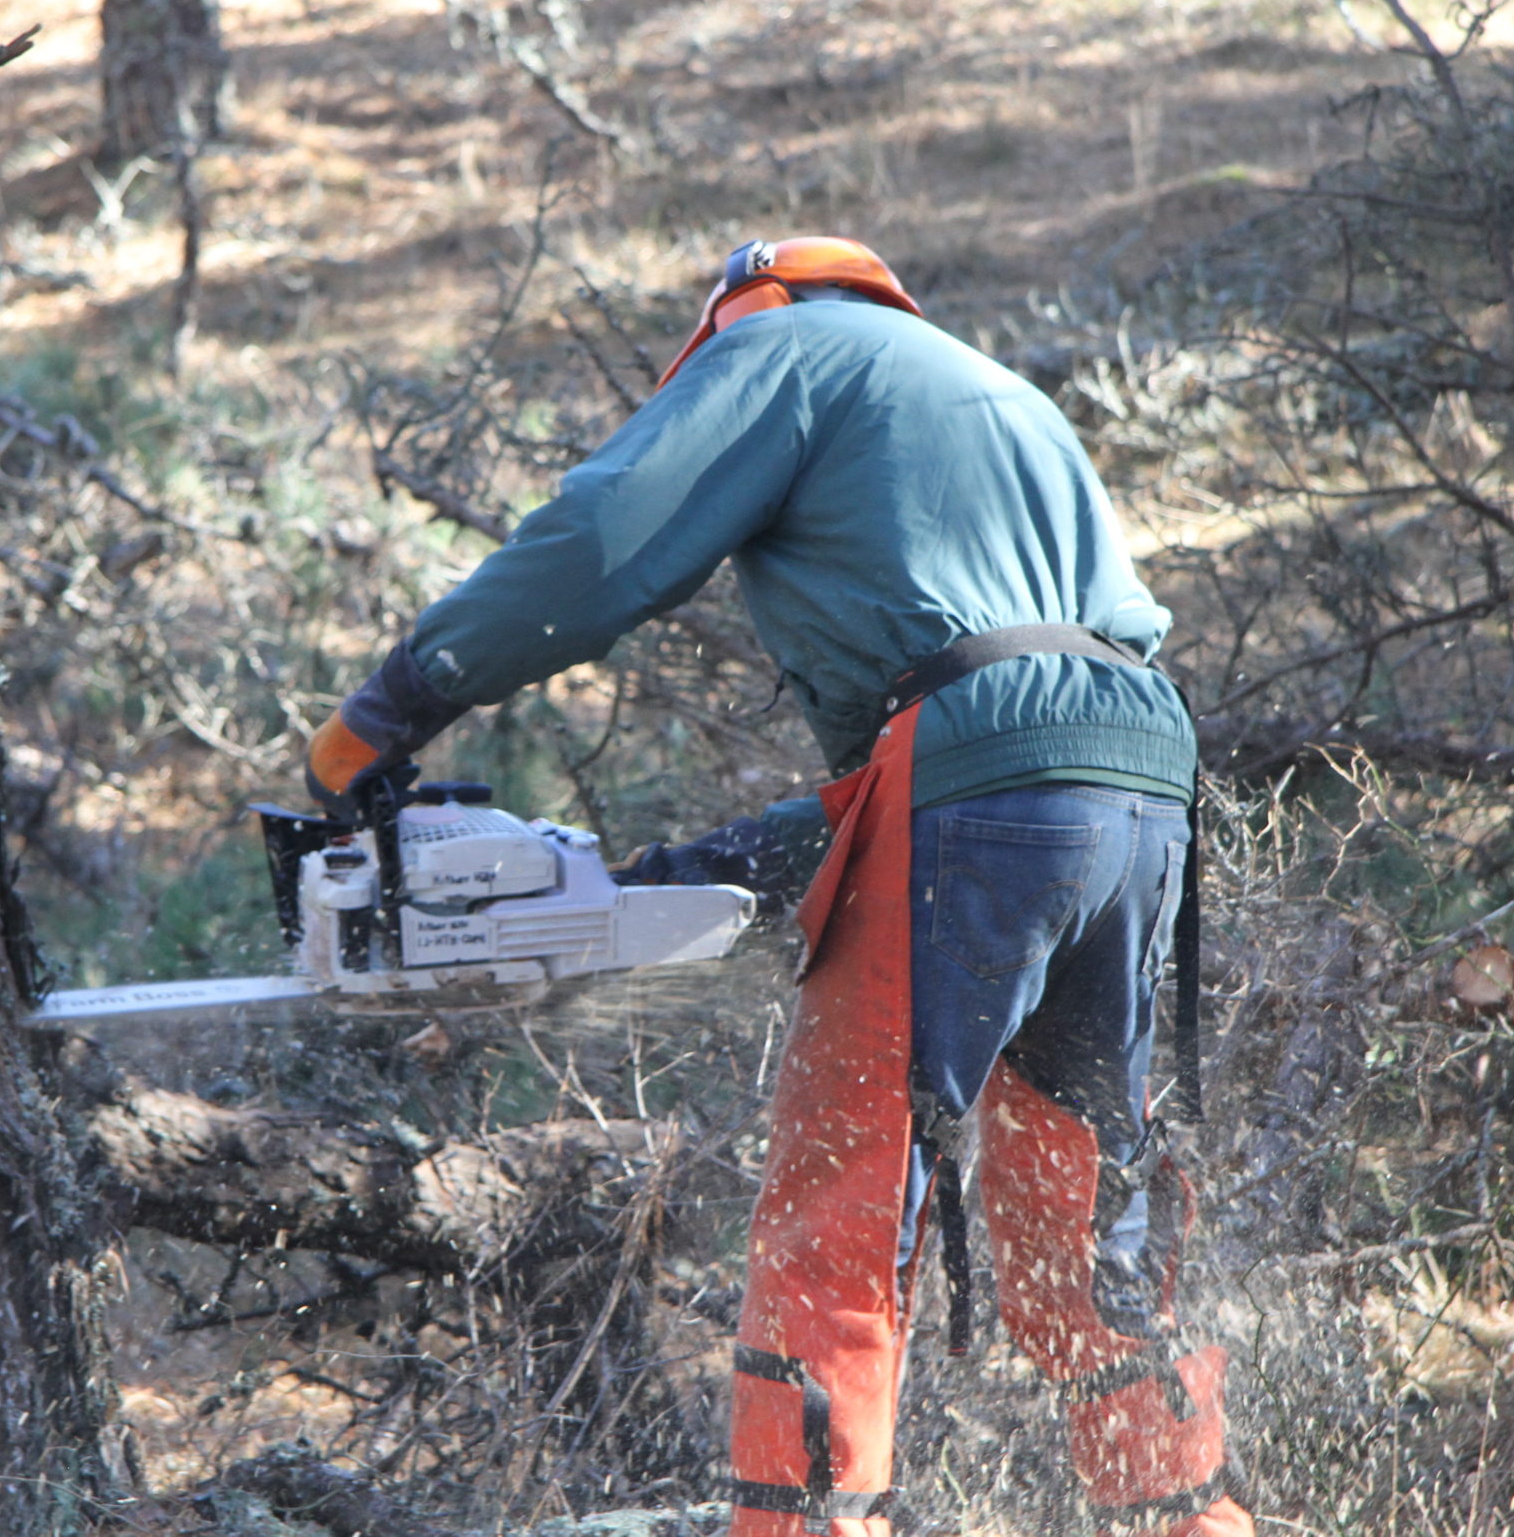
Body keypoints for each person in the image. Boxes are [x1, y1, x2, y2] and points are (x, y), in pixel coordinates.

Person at [306, 237, 1251, 1537]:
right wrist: (638, 898)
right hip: (1143, 779)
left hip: (976, 775)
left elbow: (598, 548)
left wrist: (389, 709)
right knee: (1081, 1225)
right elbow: (1018, 745)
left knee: (840, 1223)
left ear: (740, 316)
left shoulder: (785, 349)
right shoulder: (998, 401)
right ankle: (1189, 1515)